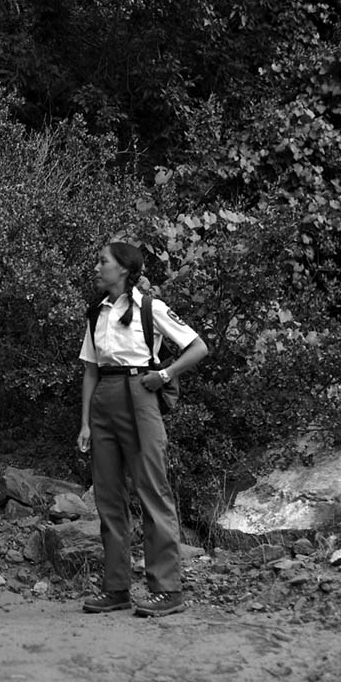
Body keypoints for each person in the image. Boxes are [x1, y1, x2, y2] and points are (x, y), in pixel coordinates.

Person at [76, 241, 208, 617]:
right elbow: (89, 369)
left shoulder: (150, 307)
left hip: (140, 394)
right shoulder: (96, 313)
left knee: (152, 489)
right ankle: (116, 587)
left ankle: (167, 589)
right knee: (108, 496)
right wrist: (85, 422)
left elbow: (197, 347)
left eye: (103, 262)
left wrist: (164, 374)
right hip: (104, 397)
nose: (98, 268)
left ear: (123, 269)